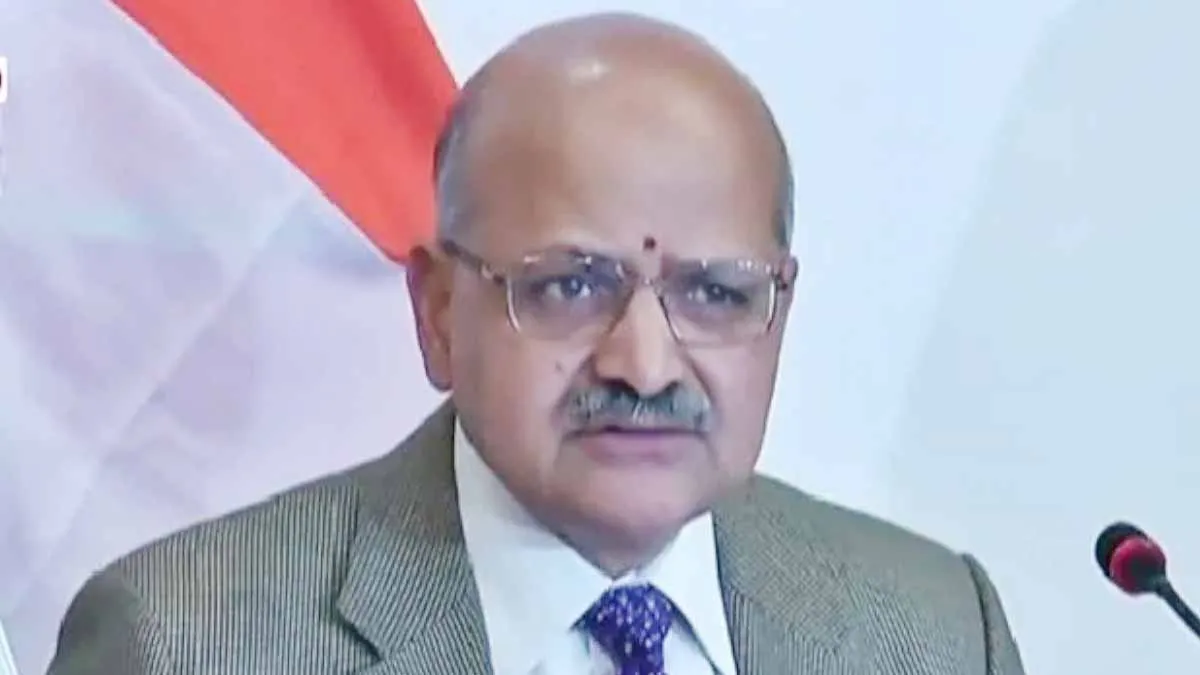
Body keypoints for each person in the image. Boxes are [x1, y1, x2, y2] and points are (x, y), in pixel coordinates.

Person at [47, 12, 1025, 675]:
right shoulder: (187, 643)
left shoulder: (934, 629)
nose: (645, 364)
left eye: (716, 294)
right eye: (570, 285)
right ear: (438, 313)